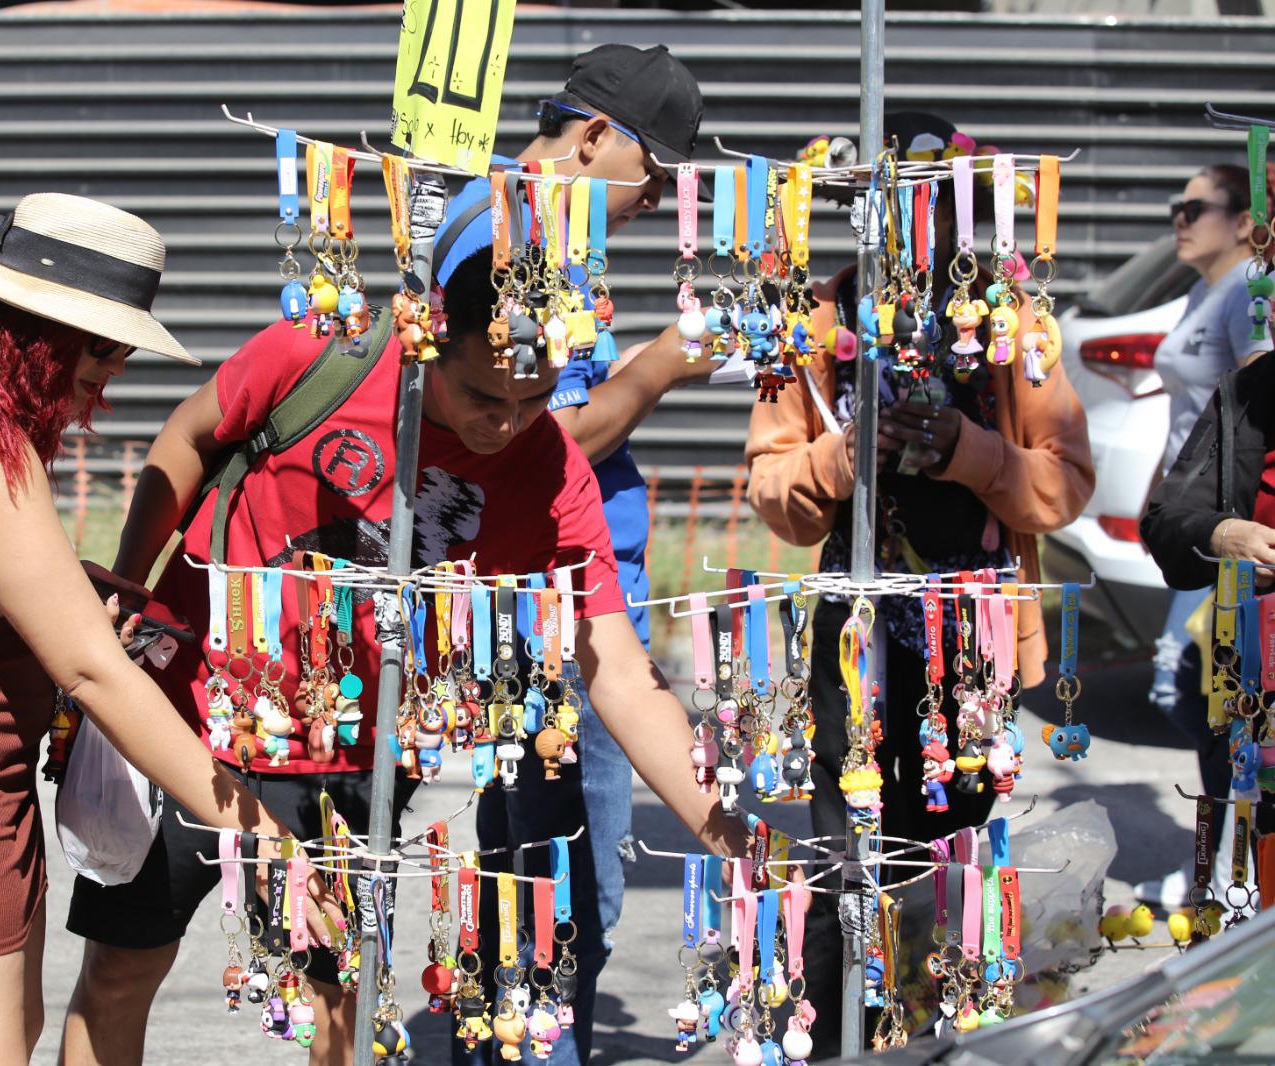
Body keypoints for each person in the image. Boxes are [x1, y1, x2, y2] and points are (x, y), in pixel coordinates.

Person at [59, 245, 749, 1066]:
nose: (505, 424)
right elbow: (188, 436)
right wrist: (128, 586)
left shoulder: (552, 472)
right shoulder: (319, 355)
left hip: (357, 749)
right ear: (429, 343)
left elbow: (621, 674)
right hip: (192, 711)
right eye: (483, 397)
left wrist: (725, 830)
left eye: (531, 402)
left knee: (340, 996)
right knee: (122, 970)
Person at [0, 170, 334, 1065]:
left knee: (15, 1033)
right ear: (47, 332)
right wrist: (256, 829)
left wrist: (82, 583)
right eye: (104, 351)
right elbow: (90, 667)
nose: (109, 377)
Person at [744, 114, 1094, 1051]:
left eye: (933, 207)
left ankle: (943, 1029)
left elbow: (1064, 483)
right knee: (841, 850)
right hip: (850, 637)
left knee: (955, 853)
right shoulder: (818, 323)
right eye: (884, 207)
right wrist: (840, 460)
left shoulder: (1013, 325)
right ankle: (837, 1036)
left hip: (971, 639)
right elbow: (772, 491)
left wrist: (975, 455)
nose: (910, 231)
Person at [432, 43, 718, 1066]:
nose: (660, 199)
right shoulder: (504, 232)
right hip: (550, 618)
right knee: (562, 894)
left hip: (574, 600)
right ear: (597, 136)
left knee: (538, 884)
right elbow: (531, 438)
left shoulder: (541, 228)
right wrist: (656, 370)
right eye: (661, 174)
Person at [1136, 162, 1272, 910]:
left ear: (1245, 218)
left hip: (1234, 521)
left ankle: (1224, 864)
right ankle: (1217, 865)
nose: (1180, 219)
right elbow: (1206, 421)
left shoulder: (1247, 302)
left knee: (1191, 687)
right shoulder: (1204, 292)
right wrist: (1173, 508)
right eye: (1175, 204)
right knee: (1198, 694)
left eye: (1195, 205)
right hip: (1204, 515)